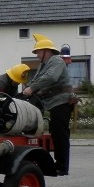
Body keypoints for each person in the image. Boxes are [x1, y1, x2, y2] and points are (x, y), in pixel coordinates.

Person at [22, 33, 72, 176]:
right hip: (52, 102)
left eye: (38, 52)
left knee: (59, 133)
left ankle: (62, 166)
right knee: (54, 131)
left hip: (62, 101)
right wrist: (27, 90)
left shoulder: (56, 61)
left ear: (47, 51)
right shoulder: (44, 64)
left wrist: (31, 89)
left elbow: (50, 77)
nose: (37, 55)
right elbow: (37, 80)